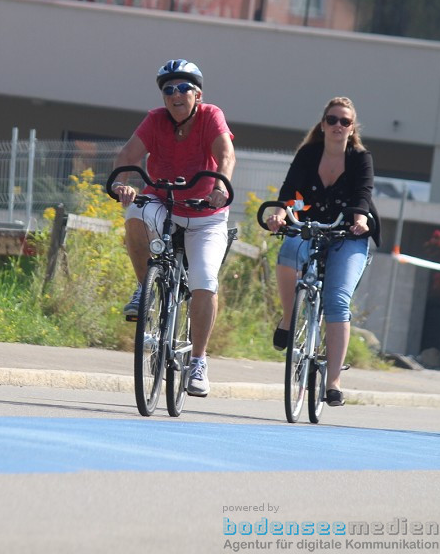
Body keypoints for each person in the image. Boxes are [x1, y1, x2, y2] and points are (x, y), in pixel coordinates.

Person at [111, 59, 235, 397]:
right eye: (168, 89)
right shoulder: (155, 119)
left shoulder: (211, 116)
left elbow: (226, 154)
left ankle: (197, 361)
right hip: (164, 202)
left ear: (197, 94)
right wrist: (122, 184)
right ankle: (144, 287)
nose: (175, 95)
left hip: (205, 213)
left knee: (204, 281)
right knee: (134, 215)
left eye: (183, 88)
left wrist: (220, 187)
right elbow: (127, 155)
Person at [264, 97, 380, 407]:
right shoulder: (308, 154)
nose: (338, 126)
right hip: (311, 225)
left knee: (337, 300)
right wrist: (278, 213)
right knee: (288, 251)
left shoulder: (360, 158)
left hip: (347, 232)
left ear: (352, 127)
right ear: (323, 123)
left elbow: (363, 193)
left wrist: (359, 218)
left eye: (344, 121)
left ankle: (333, 381)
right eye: (332, 120)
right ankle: (289, 319)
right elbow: (289, 191)